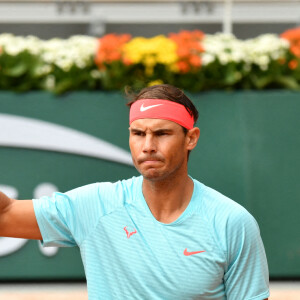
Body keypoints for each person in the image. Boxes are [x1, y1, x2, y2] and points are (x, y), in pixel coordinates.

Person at [0, 84, 269, 299]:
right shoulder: (95, 205)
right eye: (138, 133)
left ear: (191, 138)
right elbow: (6, 213)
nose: (148, 145)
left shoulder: (232, 222)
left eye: (162, 133)